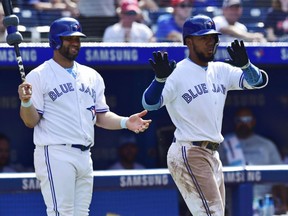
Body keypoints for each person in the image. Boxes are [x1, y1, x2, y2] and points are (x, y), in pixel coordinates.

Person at [17, 17, 151, 216]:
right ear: (55, 41)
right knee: (61, 212)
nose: (75, 43)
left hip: (85, 154)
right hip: (55, 152)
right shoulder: (39, 75)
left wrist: (125, 122)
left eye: (78, 39)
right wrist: (26, 102)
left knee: (81, 213)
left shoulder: (91, 75)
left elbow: (101, 117)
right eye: (69, 38)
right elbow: (30, 121)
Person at [142, 14, 268, 215]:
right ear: (189, 42)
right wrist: (159, 80)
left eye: (213, 38)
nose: (211, 42)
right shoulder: (177, 73)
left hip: (212, 153)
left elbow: (258, 81)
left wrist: (246, 65)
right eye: (204, 38)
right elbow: (150, 103)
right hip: (189, 150)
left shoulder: (221, 70)